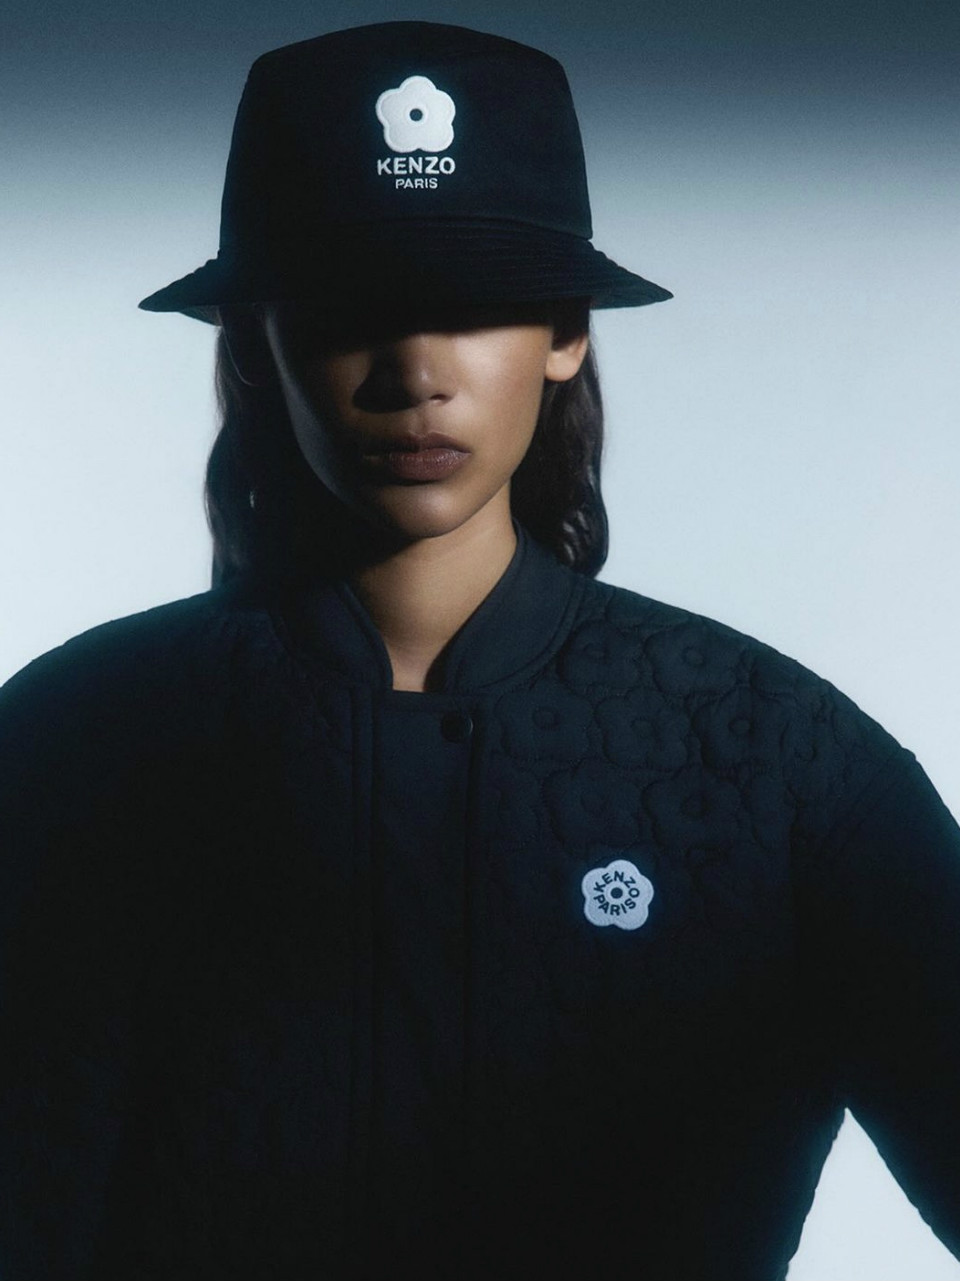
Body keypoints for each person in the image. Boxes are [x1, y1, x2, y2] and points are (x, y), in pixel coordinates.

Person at [1, 19, 958, 1281]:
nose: (416, 374)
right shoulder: (69, 747)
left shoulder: (781, 766)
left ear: (565, 334)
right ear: (256, 342)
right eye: (353, 308)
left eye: (475, 305)